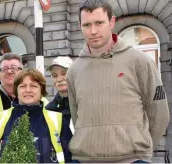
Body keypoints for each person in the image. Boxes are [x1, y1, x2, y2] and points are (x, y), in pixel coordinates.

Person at [67, 0, 170, 163]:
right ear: (80, 26)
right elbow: (76, 115)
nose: (93, 31)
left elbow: (159, 112)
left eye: (99, 23)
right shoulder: (74, 70)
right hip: (84, 159)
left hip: (132, 159)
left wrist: (142, 147)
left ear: (112, 22)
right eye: (87, 25)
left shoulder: (139, 61)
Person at [0, 68, 66, 163]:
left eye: (33, 86)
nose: (28, 90)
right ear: (16, 90)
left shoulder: (58, 120)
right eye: (22, 86)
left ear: (41, 91)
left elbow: (69, 156)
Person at [45, 56, 74, 162]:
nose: (59, 79)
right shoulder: (49, 109)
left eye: (64, 73)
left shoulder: (86, 104)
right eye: (55, 75)